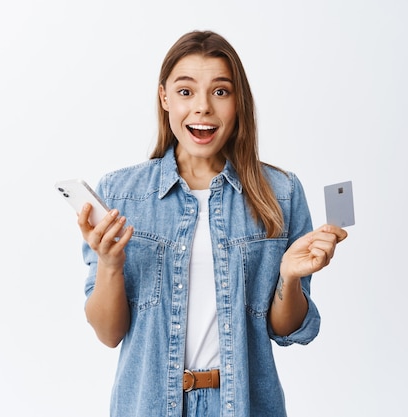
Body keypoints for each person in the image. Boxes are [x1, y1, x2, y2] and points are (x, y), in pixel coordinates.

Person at [77, 30, 348, 417]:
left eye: (220, 91)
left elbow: (286, 330)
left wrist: (288, 277)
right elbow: (108, 333)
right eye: (186, 92)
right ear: (164, 98)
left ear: (239, 102)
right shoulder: (120, 194)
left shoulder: (280, 193)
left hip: (246, 406)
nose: (202, 107)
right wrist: (110, 264)